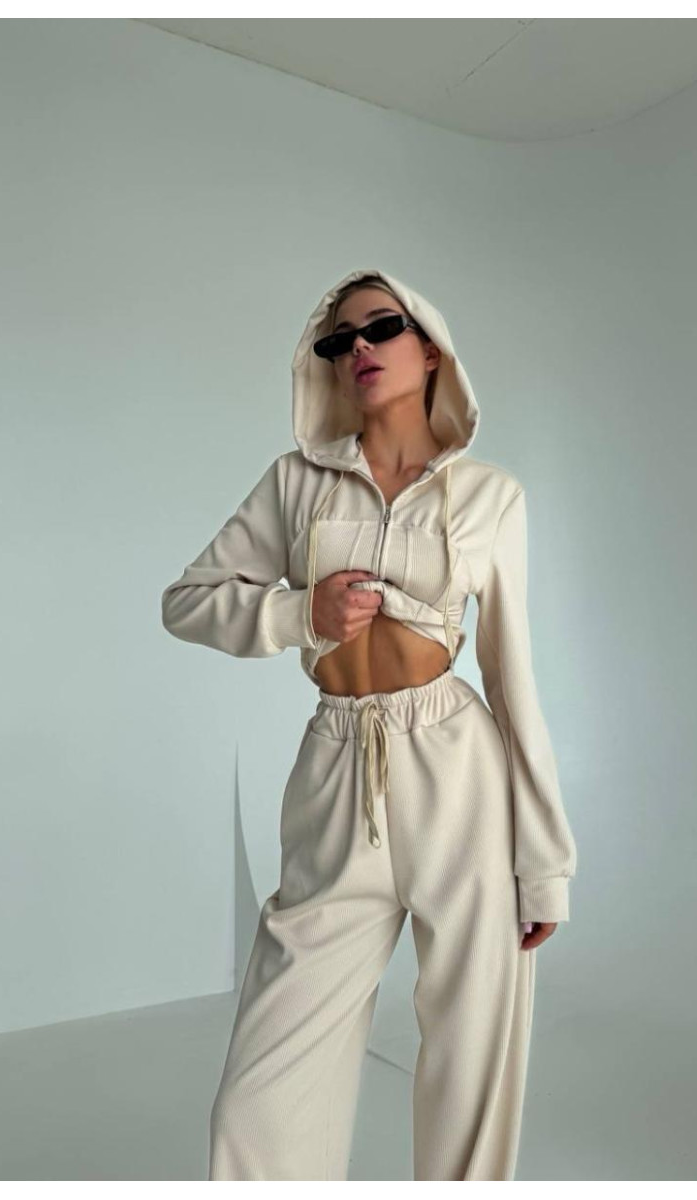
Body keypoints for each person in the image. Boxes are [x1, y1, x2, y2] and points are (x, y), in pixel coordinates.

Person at [160, 267, 577, 1181]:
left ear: (429, 348)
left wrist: (543, 861)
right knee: (265, 1083)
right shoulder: (295, 483)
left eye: (380, 328)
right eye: (338, 339)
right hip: (336, 767)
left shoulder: (491, 497)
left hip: (459, 772)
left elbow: (511, 680)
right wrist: (296, 613)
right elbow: (186, 601)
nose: (358, 348)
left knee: (473, 1054)